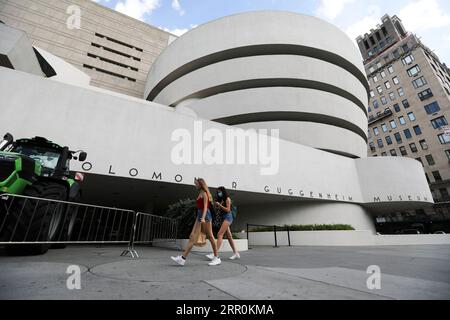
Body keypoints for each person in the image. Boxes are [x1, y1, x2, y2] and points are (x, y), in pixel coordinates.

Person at [171, 178, 221, 266]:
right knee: (192, 236)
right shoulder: (200, 193)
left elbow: (206, 207)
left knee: (210, 236)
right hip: (199, 215)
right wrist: (199, 217)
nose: (195, 185)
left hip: (205, 216)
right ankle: (182, 259)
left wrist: (203, 218)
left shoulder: (205, 194)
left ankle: (217, 258)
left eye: (196, 184)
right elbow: (200, 208)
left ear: (200, 184)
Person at [207, 186, 240, 261]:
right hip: (224, 218)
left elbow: (228, 210)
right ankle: (236, 253)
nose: (219, 193)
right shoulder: (221, 200)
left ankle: (215, 254)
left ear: (223, 192)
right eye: (218, 192)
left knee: (219, 234)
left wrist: (220, 205)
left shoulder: (227, 199)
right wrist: (216, 205)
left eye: (220, 192)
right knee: (229, 236)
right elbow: (219, 209)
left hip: (228, 217)